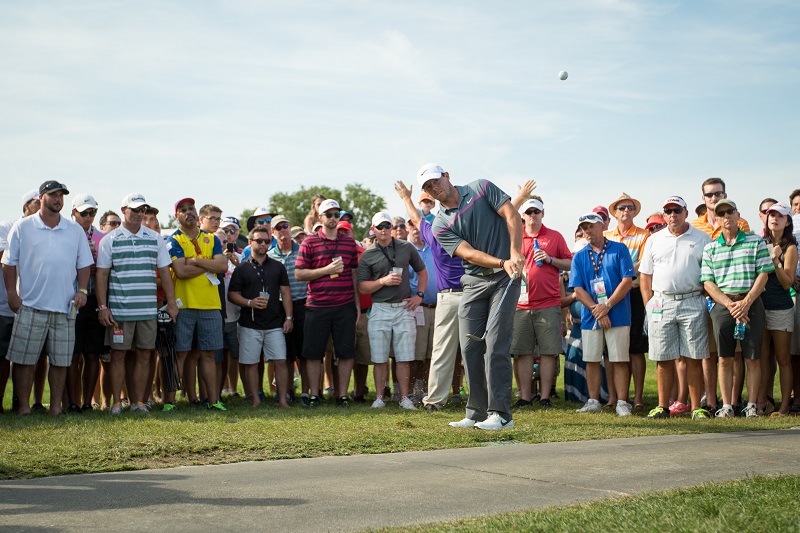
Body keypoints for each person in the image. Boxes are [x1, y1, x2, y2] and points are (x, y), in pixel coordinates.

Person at [419, 163, 524, 430]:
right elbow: (467, 253)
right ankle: (476, 412)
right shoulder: (439, 223)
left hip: (505, 279)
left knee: (496, 343)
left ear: (447, 176)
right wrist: (501, 261)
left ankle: (501, 415)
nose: (434, 188)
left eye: (435, 181)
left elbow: (511, 214)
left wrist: (514, 252)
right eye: (428, 187)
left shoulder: (481, 188)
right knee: (469, 347)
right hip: (474, 282)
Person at [2, 181, 93, 416]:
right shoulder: (23, 227)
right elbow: (8, 263)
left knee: (61, 361)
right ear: (41, 197)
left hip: (65, 307)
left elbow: (84, 265)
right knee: (24, 360)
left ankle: (55, 408)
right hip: (30, 305)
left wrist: (82, 291)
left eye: (61, 195)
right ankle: (23, 407)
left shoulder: (74, 230)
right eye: (53, 195)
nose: (58, 199)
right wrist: (12, 293)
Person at [96, 193, 179, 414]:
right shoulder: (110, 240)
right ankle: (116, 402)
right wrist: (102, 307)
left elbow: (165, 272)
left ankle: (139, 402)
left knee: (145, 354)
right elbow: (102, 275)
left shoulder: (155, 238)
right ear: (124, 210)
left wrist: (171, 303)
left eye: (142, 210)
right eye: (135, 210)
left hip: (147, 310)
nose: (139, 214)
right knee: (118, 355)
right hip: (120, 311)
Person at [395, 180, 466, 412]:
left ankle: (435, 400)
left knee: (441, 353)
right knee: (471, 352)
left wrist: (406, 198)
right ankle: (479, 398)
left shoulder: (435, 237)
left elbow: (416, 219)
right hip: (470, 296)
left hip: (448, 298)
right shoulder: (468, 238)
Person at [639, 196, 711, 420]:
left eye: (677, 211)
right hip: (662, 302)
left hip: (693, 299)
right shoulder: (654, 240)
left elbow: (709, 274)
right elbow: (645, 276)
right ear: (664, 215)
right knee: (663, 357)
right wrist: (649, 304)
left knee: (694, 357)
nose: (673, 215)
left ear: (686, 213)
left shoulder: (702, 238)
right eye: (668, 212)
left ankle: (696, 407)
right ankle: (663, 407)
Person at [701, 199, 774, 418]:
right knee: (724, 358)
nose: (726, 216)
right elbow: (708, 282)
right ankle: (727, 406)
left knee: (752, 358)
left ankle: (751, 405)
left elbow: (763, 274)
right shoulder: (710, 248)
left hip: (751, 303)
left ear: (737, 214)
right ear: (716, 218)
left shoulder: (755, 241)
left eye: (730, 211)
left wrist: (746, 302)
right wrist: (729, 304)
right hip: (724, 306)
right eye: (721, 213)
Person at [164, 197, 228, 411]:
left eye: (191, 208)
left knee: (209, 354)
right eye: (183, 210)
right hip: (184, 305)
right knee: (180, 354)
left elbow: (223, 266)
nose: (188, 212)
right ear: (177, 216)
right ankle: (170, 402)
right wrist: (209, 264)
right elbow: (181, 272)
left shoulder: (211, 238)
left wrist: (195, 260)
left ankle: (213, 401)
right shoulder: (174, 240)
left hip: (210, 305)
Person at [358, 212, 427, 409]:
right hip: (379, 308)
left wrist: (419, 296)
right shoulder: (368, 254)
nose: (384, 230)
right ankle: (380, 398)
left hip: (403, 308)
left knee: (404, 357)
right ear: (373, 229)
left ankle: (404, 398)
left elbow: (422, 272)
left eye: (387, 226)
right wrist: (383, 281)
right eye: (380, 227)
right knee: (379, 358)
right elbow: (362, 287)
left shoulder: (406, 247)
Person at [294, 199, 360, 408]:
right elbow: (299, 274)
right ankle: (315, 394)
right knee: (314, 353)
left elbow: (354, 274)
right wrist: (326, 270)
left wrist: (357, 305)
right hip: (317, 305)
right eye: (329, 215)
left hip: (345, 305)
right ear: (320, 217)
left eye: (336, 214)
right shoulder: (309, 242)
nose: (333, 218)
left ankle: (342, 395)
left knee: (346, 353)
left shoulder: (349, 243)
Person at [569, 212, 635, 417]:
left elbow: (627, 281)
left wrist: (607, 305)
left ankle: (622, 402)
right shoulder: (580, 256)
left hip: (618, 313)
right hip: (591, 316)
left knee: (619, 359)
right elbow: (577, 289)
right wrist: (597, 310)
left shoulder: (619, 249)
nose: (587, 231)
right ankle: (593, 400)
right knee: (591, 359)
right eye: (584, 228)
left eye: (591, 226)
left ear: (602, 226)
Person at [509, 195, 572, 409]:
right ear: (523, 215)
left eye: (536, 211)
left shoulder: (554, 236)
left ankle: (545, 397)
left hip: (548, 304)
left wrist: (550, 259)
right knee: (523, 352)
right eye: (528, 212)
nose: (532, 215)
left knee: (548, 352)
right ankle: (525, 397)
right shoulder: (515, 236)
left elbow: (570, 263)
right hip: (520, 305)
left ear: (543, 213)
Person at [228, 225, 293, 408]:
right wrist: (249, 302)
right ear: (250, 242)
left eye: (267, 241)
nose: (264, 244)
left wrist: (289, 318)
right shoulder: (242, 268)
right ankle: (255, 400)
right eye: (259, 241)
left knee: (280, 361)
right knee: (251, 363)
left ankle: (282, 400)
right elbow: (232, 294)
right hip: (249, 323)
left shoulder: (278, 266)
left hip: (275, 323)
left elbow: (286, 293)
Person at [604, 192, 649, 409]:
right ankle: (613, 397)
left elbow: (643, 263)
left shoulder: (644, 235)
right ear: (614, 213)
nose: (626, 211)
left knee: (636, 348)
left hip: (634, 294)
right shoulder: (606, 235)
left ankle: (637, 397)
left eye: (630, 207)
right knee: (610, 350)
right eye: (622, 208)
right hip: (611, 297)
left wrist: (623, 275)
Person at [67, 193, 106, 413]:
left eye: (92, 212)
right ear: (74, 212)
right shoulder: (66, 233)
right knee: (73, 354)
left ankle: (88, 402)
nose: (89, 217)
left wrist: (96, 260)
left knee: (92, 353)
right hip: (71, 298)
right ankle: (72, 401)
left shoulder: (102, 237)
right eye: (84, 213)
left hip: (93, 299)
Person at [758, 202, 797, 416]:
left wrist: (776, 261)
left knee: (783, 359)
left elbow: (786, 283)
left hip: (781, 308)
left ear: (787, 221)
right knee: (763, 358)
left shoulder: (790, 248)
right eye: (771, 215)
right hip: (760, 307)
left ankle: (784, 407)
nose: (774, 218)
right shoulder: (760, 242)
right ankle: (763, 403)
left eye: (780, 216)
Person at [268, 215, 309, 403]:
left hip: (302, 304)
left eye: (285, 225)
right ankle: (288, 391)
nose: (283, 229)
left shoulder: (302, 251)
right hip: (278, 308)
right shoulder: (270, 256)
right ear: (272, 232)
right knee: (284, 354)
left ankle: (306, 392)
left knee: (304, 353)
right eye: (278, 227)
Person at [219, 216, 243, 397]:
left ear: (238, 233)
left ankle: (233, 390)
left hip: (236, 315)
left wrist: (236, 264)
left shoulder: (241, 257)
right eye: (225, 231)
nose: (228, 234)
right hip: (218, 314)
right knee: (218, 356)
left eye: (232, 231)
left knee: (236, 355)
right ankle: (219, 390)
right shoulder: (212, 257)